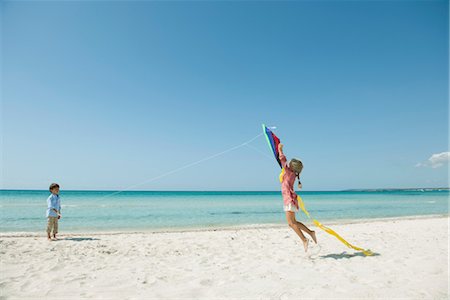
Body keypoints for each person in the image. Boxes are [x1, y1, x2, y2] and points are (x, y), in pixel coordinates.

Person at [278, 143, 317, 252]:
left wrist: (280, 149)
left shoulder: (287, 171)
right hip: (291, 199)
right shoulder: (293, 174)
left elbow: (282, 159)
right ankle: (310, 232)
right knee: (293, 222)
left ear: (291, 166)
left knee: (291, 223)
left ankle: (304, 239)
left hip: (289, 199)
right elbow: (283, 160)